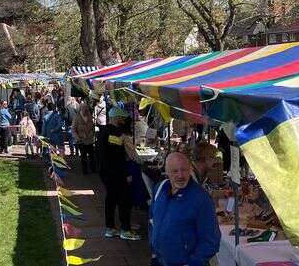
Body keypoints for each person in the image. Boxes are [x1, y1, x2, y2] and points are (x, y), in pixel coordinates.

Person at [149, 152, 221, 266]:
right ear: (166, 172)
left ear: (190, 170)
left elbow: (211, 239)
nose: (180, 175)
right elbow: (152, 221)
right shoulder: (159, 189)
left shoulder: (201, 198)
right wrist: (153, 250)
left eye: (184, 170)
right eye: (175, 171)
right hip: (158, 260)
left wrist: (193, 262)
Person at [100, 107, 141, 241]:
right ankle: (125, 230)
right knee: (125, 201)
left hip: (105, 173)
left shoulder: (102, 132)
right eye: (121, 117)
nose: (123, 120)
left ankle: (110, 228)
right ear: (116, 118)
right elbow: (119, 156)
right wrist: (127, 174)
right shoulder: (117, 134)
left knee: (110, 200)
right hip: (118, 173)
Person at [73, 101, 96, 174]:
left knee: (92, 156)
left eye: (87, 109)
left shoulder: (90, 117)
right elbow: (73, 130)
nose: (86, 110)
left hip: (89, 140)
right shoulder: (76, 118)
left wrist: (92, 133)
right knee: (83, 157)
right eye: (84, 109)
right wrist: (77, 138)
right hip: (81, 141)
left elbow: (93, 127)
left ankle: (93, 169)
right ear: (80, 109)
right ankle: (85, 170)